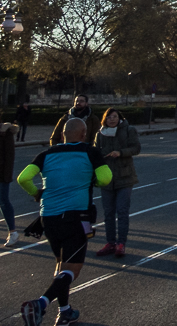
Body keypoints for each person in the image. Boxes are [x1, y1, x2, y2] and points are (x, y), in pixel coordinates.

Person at [18, 117, 112, 326]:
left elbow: (23, 178)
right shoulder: (90, 152)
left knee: (61, 264)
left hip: (48, 218)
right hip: (76, 217)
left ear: (62, 135)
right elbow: (105, 178)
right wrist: (93, 180)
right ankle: (40, 304)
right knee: (72, 269)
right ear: (83, 134)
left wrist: (37, 193)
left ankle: (65, 311)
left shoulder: (47, 154)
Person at [93, 108, 141, 257]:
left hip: (124, 177)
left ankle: (121, 243)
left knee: (122, 211)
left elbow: (136, 148)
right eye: (109, 117)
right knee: (108, 213)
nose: (112, 119)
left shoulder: (128, 130)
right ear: (105, 120)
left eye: (114, 117)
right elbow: (95, 153)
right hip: (106, 178)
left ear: (119, 118)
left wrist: (120, 153)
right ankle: (110, 242)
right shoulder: (100, 134)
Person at [1, 111, 19, 246]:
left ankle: (12, 232)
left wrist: (6, 176)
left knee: (3, 201)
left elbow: (9, 156)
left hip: (1, 174)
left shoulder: (5, 131)